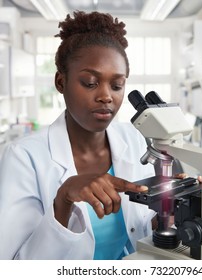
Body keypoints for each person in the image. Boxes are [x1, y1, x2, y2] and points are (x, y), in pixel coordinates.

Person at [0, 10, 159, 260]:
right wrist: (63, 201)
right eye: (90, 82)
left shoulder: (133, 138)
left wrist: (171, 209)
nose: (106, 96)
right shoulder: (23, 157)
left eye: (117, 86)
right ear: (61, 82)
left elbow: (144, 224)